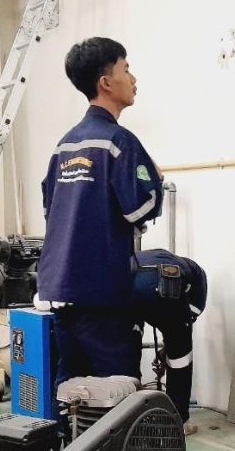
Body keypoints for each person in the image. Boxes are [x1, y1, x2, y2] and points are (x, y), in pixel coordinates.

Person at [37, 37, 163, 389]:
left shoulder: (65, 145)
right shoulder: (118, 141)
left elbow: (51, 209)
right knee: (118, 393)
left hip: (60, 289)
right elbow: (141, 208)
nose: (133, 78)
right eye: (126, 69)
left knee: (71, 389)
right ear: (106, 82)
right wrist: (154, 179)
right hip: (102, 292)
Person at [132, 248, 208, 433]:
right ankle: (177, 423)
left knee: (128, 350)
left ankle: (128, 421)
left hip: (126, 280)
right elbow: (184, 321)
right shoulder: (198, 276)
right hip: (164, 282)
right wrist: (170, 351)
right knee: (181, 358)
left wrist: (165, 349)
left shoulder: (155, 256)